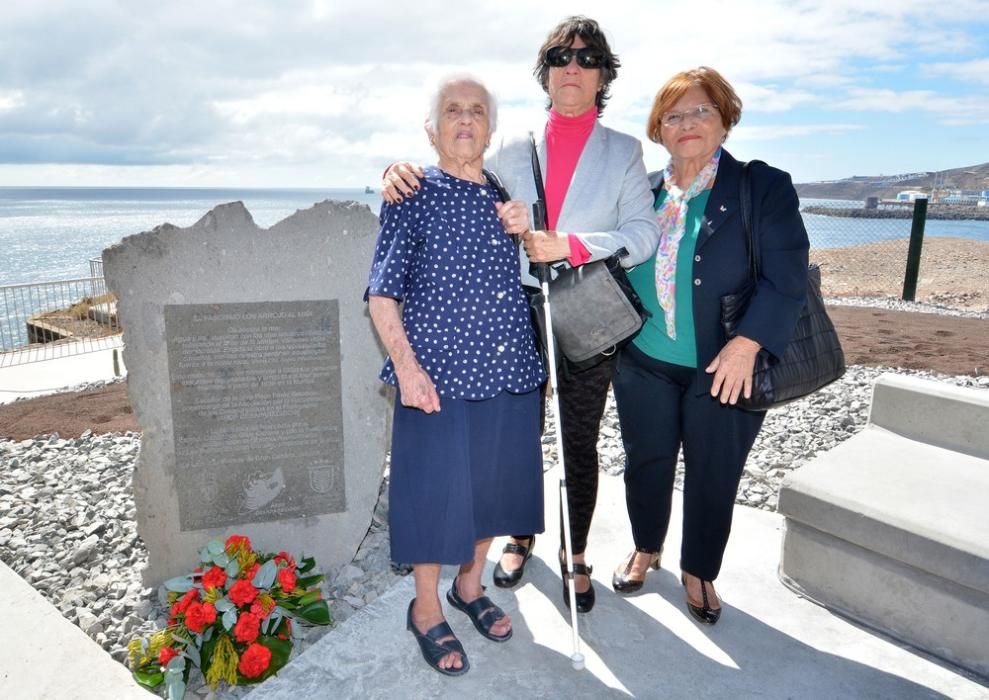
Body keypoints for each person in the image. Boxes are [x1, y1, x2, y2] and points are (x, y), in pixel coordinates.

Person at [383, 16, 659, 614]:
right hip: (512, 315)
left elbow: (644, 235)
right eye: (562, 56)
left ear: (603, 74)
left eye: (587, 59)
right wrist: (395, 171)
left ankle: (576, 553)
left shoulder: (625, 152)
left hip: (585, 313)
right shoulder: (509, 146)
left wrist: (572, 243)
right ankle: (519, 536)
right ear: (547, 71)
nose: (573, 67)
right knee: (513, 440)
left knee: (578, 441)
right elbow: (456, 176)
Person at [609, 66, 809, 625]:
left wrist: (749, 344)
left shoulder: (760, 185)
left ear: (725, 119)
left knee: (713, 470)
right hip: (643, 359)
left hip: (724, 364)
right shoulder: (642, 191)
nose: (688, 123)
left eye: (702, 110)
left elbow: (787, 276)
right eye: (673, 115)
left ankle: (699, 569)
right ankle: (647, 546)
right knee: (645, 462)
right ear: (658, 129)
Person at [366, 76, 545, 675]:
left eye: (476, 112)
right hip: (437, 382)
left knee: (494, 493)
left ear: (489, 130)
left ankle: (468, 589)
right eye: (452, 111)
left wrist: (527, 230)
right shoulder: (411, 191)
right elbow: (381, 295)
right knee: (434, 496)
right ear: (431, 128)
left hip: (509, 372)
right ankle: (424, 610)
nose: (465, 120)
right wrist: (408, 372)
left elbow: (531, 273)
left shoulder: (500, 192)